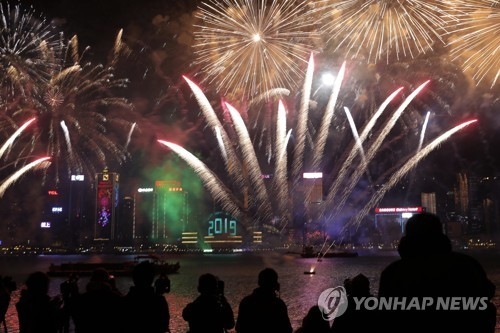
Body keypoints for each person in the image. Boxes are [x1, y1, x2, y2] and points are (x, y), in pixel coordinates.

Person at [378, 212, 497, 333]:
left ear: (407, 237)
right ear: (440, 233)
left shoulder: (393, 272)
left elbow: (385, 316)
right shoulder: (466, 265)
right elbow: (485, 296)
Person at [235, 267, 292, 333]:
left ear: (259, 282)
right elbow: (287, 329)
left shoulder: (246, 302)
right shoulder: (279, 304)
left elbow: (239, 327)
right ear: (276, 285)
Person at [70, 268, 124, 333]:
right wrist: (114, 288)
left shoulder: (81, 299)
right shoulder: (114, 298)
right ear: (108, 282)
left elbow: (76, 318)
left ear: (91, 280)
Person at [123, 261, 170, 333]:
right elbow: (164, 326)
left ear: (134, 278)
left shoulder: (124, 302)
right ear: (152, 279)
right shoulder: (159, 302)